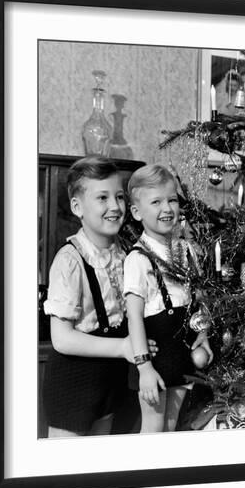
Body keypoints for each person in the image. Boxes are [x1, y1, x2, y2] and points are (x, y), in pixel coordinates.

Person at [42, 155, 157, 438]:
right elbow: (62, 338)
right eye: (102, 198)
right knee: (68, 473)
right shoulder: (70, 260)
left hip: (110, 380)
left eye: (119, 196)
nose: (115, 207)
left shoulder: (127, 254)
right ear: (77, 207)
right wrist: (123, 348)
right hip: (74, 382)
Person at [124, 164, 213, 433]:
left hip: (182, 352)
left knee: (172, 427)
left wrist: (204, 334)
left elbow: (199, 297)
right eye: (156, 202)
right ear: (137, 212)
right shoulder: (138, 259)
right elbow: (135, 319)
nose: (167, 209)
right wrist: (144, 368)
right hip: (155, 357)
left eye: (172, 199)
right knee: (153, 428)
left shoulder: (186, 250)